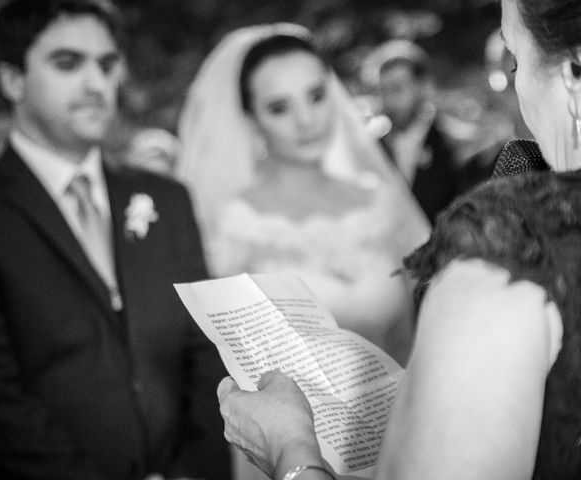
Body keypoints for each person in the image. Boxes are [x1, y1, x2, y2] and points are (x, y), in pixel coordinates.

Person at [216, 0, 581, 478]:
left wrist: (290, 450)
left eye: (515, 61)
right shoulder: (237, 218)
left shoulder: (510, 250)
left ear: (574, 72)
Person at [0, 1, 230, 479]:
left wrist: (192, 472)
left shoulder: (167, 199)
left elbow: (201, 351)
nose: (98, 85)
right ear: (13, 79)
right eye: (68, 63)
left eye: (107, 63)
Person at [177, 24, 430, 366]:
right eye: (280, 107)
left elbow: (421, 326)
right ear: (251, 119)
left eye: (316, 96)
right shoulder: (234, 224)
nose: (307, 120)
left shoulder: (381, 201)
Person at [367, 40, 462, 224]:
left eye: (397, 89)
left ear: (424, 86)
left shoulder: (455, 146)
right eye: (383, 91)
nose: (389, 101)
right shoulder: (373, 148)